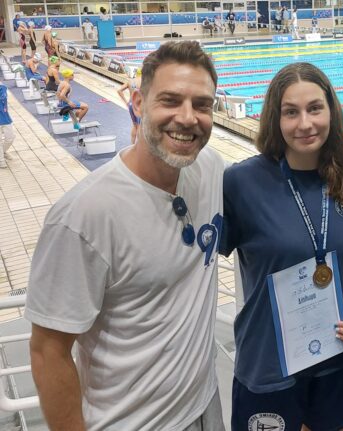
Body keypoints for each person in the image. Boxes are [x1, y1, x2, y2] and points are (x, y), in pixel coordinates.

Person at [26, 41, 227, 431]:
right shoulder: (84, 215)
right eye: (170, 100)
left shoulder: (210, 168)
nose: (188, 118)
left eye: (202, 105)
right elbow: (48, 351)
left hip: (204, 403)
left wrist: (338, 156)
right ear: (137, 102)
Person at [220, 61, 343, 431]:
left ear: (331, 112)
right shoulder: (241, 183)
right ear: (275, 117)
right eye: (291, 112)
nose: (305, 124)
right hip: (269, 365)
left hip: (334, 355)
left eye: (315, 109)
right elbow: (194, 261)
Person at [117, 68, 142, 144]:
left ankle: (132, 145)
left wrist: (126, 102)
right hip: (139, 105)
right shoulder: (144, 81)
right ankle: (139, 146)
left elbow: (119, 90)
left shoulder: (130, 81)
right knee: (140, 126)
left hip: (131, 104)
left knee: (135, 125)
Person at [0, 82, 14, 169]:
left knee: (10, 137)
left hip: (5, 117)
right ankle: (1, 160)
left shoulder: (3, 87)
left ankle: (3, 151)